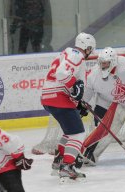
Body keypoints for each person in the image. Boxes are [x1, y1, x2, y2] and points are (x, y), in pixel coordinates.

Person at [41, 32, 96, 181]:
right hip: (58, 97)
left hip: (49, 97)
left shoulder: (67, 53)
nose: (91, 52)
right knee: (78, 134)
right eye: (91, 48)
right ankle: (67, 167)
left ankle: (58, 160)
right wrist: (75, 84)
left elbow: (66, 79)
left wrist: (78, 102)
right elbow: (61, 73)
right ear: (88, 46)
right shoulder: (76, 54)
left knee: (70, 132)